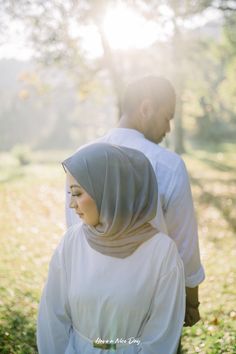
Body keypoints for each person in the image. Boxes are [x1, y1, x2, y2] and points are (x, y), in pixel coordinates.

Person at [65, 76, 205, 328]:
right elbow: (184, 243)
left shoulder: (80, 158)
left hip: (90, 300)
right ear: (146, 108)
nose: (168, 129)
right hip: (153, 299)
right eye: (167, 118)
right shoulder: (168, 165)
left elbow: (74, 228)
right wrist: (191, 301)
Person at [37, 143, 185, 354]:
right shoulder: (72, 242)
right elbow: (52, 319)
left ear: (110, 191)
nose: (71, 204)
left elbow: (162, 336)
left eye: (77, 193)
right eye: (70, 193)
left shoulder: (161, 253)